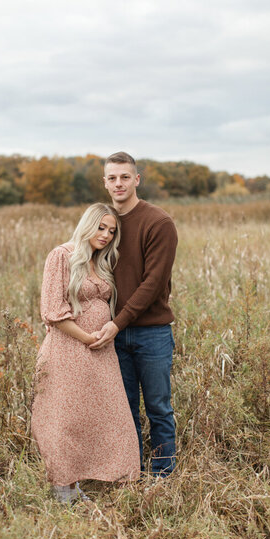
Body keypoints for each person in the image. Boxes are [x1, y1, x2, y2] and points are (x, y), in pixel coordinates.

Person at [31, 203, 140, 503]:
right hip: (69, 349)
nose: (105, 235)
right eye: (101, 227)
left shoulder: (100, 261)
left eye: (111, 231)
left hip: (101, 352)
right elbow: (52, 310)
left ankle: (95, 478)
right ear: (87, 224)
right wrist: (88, 337)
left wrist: (107, 333)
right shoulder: (62, 256)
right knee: (66, 418)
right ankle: (63, 488)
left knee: (107, 414)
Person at [90, 152, 178, 477]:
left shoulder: (159, 223)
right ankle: (132, 474)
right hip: (113, 333)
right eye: (112, 178)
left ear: (137, 179)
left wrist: (116, 323)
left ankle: (161, 479)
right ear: (105, 182)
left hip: (151, 333)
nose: (118, 183)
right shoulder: (105, 225)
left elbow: (152, 285)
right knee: (124, 410)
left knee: (158, 408)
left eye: (125, 177)